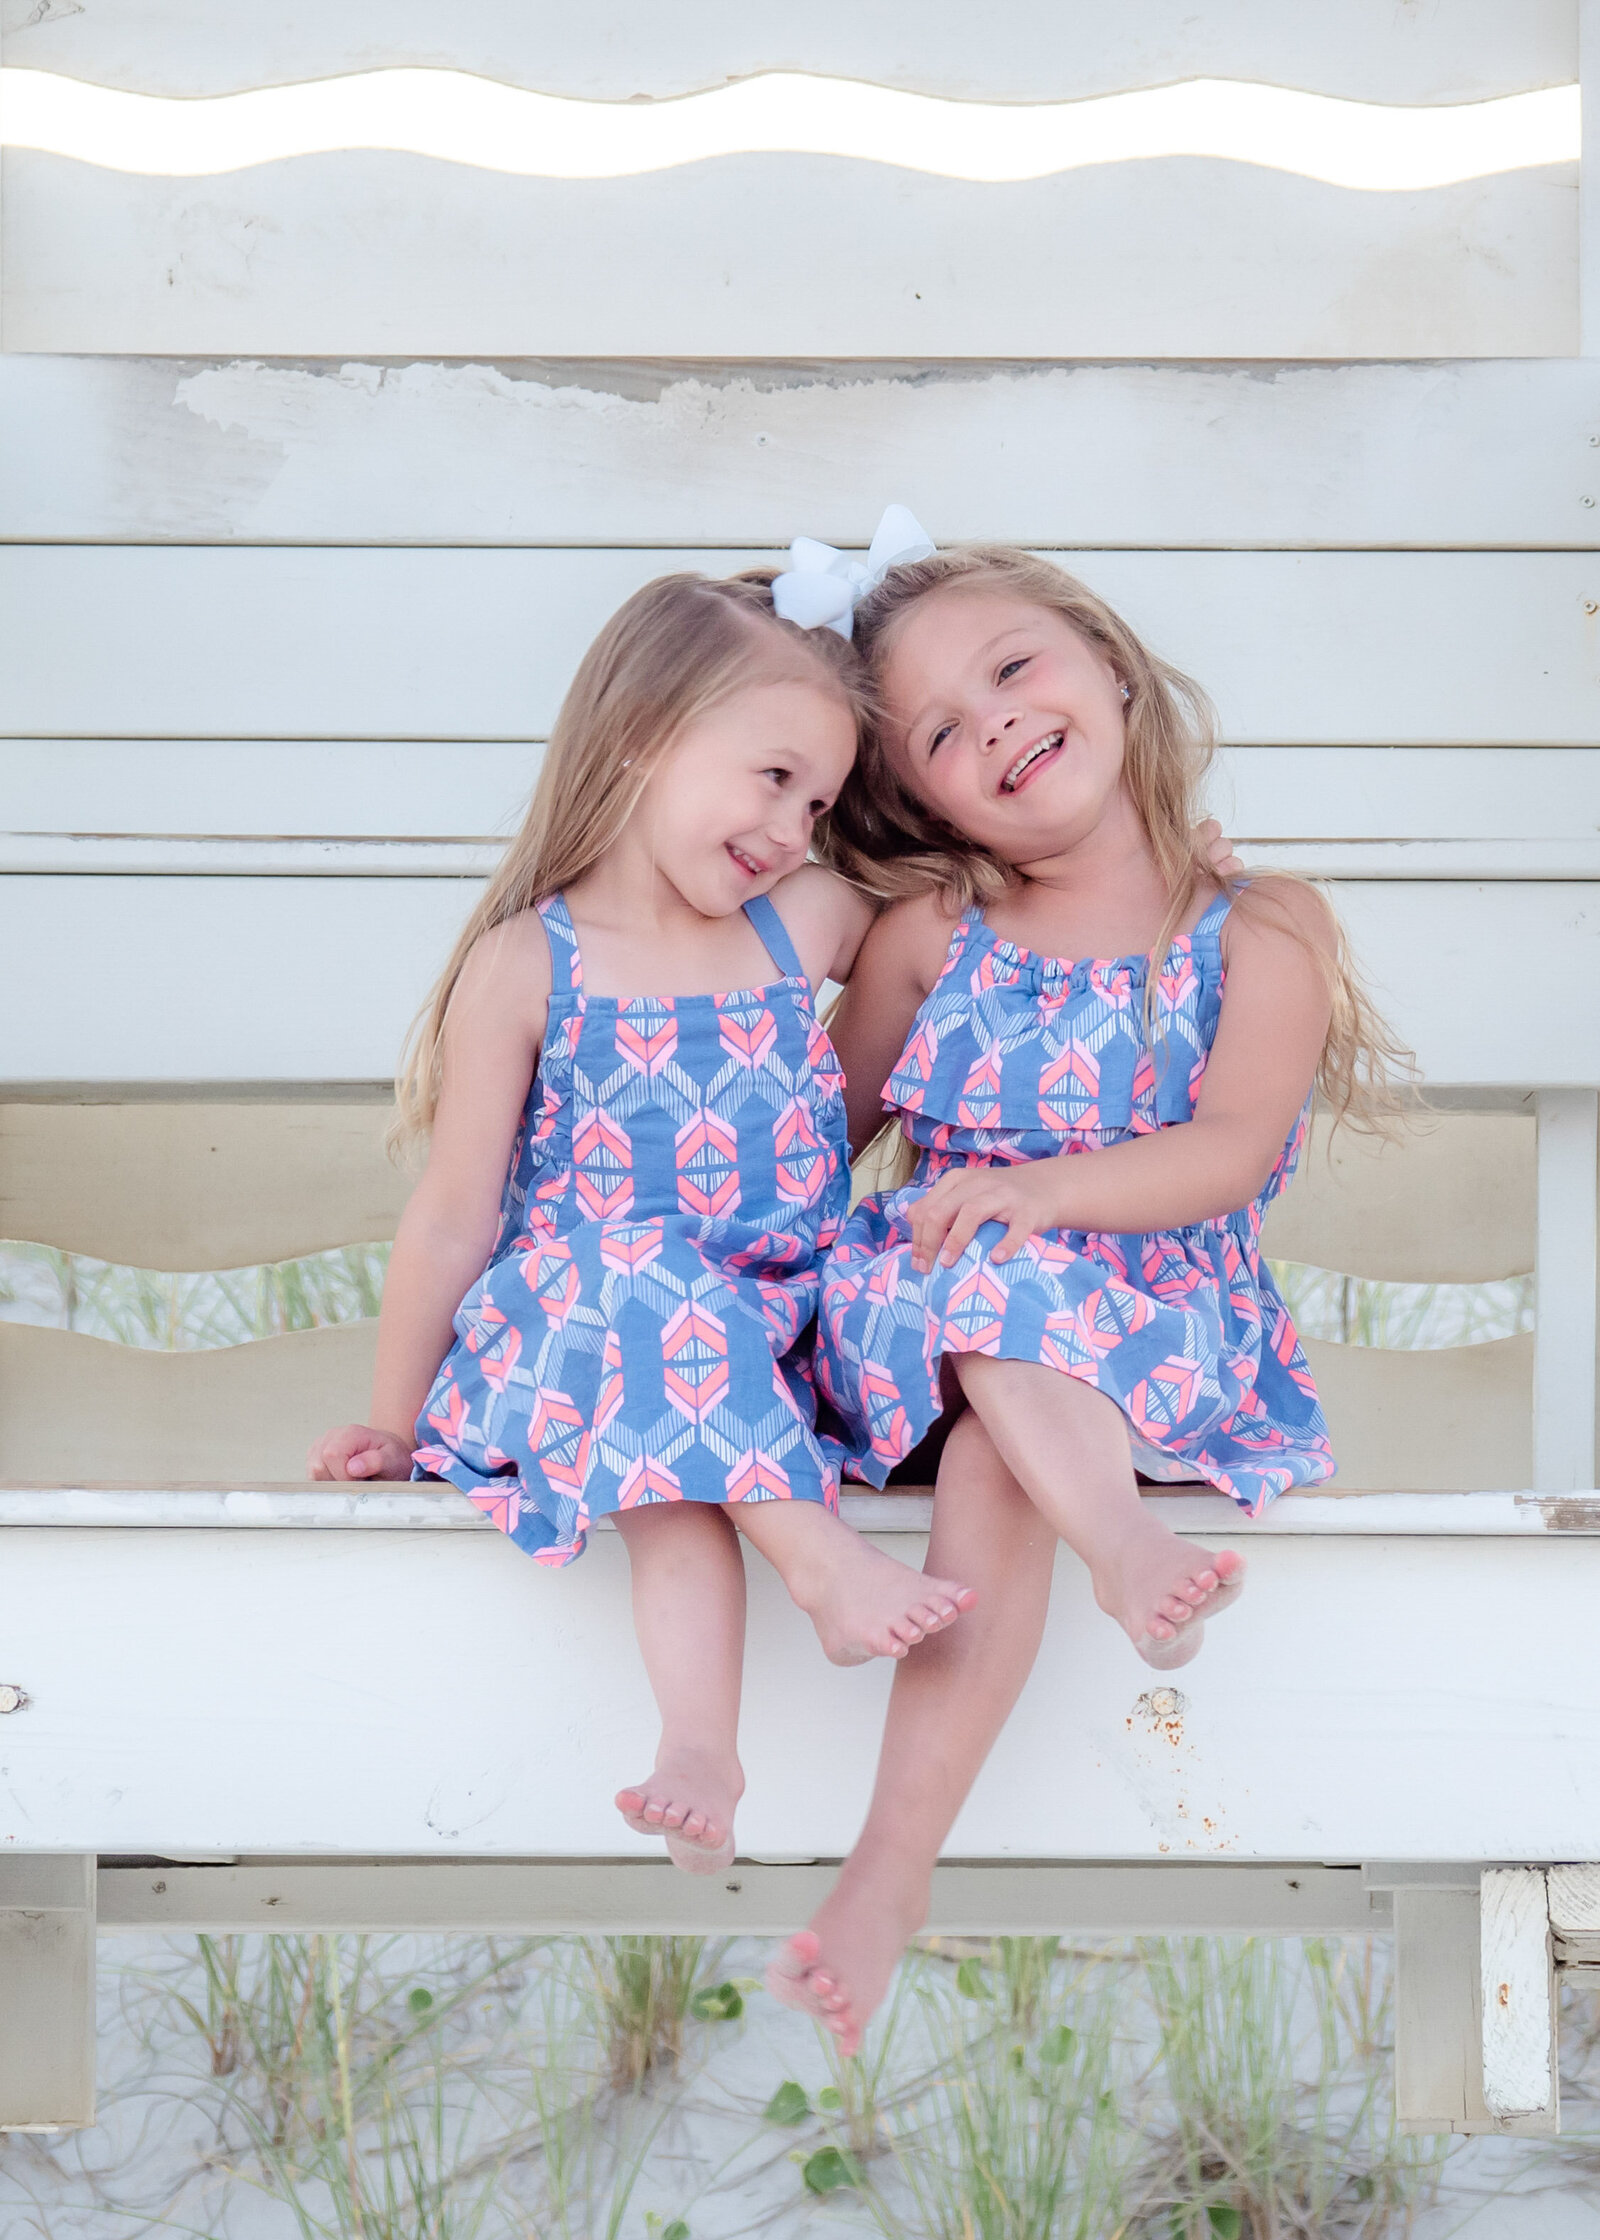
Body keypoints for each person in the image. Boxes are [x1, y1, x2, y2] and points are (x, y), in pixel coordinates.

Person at [767, 541, 1408, 2050]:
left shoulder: (1263, 925)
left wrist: (1045, 1194)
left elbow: (1232, 1146)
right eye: (935, 731)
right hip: (933, 1321)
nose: (989, 721)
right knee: (990, 1301)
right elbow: (812, 1140)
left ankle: (891, 1867)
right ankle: (1118, 1549)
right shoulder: (935, 935)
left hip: (1162, 1334)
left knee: (1008, 1413)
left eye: (1011, 668)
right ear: (920, 801)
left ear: (1109, 664)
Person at [307, 562, 979, 1876]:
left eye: (824, 800)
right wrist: (393, 1420)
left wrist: (1170, 866)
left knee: (922, 1255)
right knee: (655, 1356)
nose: (795, 827)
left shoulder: (809, 922)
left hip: (774, 1328)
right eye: (771, 778)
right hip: (586, 1334)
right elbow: (455, 1216)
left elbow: (976, 910)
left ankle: (1060, 1457)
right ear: (639, 739)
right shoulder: (527, 966)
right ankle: (712, 1732)